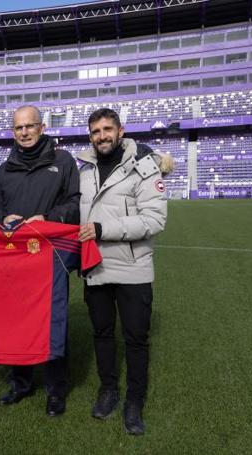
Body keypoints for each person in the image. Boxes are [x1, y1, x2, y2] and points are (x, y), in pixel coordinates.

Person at [77, 107, 168, 436]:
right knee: (101, 334)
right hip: (96, 267)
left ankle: (134, 401)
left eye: (107, 129)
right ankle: (108, 390)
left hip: (133, 268)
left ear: (120, 130)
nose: (102, 136)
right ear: (91, 136)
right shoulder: (83, 170)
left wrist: (102, 229)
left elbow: (154, 220)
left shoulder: (144, 166)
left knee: (136, 339)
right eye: (96, 131)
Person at [0, 105, 80, 417]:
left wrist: (49, 218)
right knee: (17, 322)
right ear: (13, 132)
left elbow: (75, 203)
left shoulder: (63, 162)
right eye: (19, 128)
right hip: (15, 261)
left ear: (41, 128)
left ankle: (56, 389)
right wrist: (3, 217)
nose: (25, 132)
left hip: (50, 257)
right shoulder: (4, 170)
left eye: (30, 126)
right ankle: (21, 382)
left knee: (54, 322)